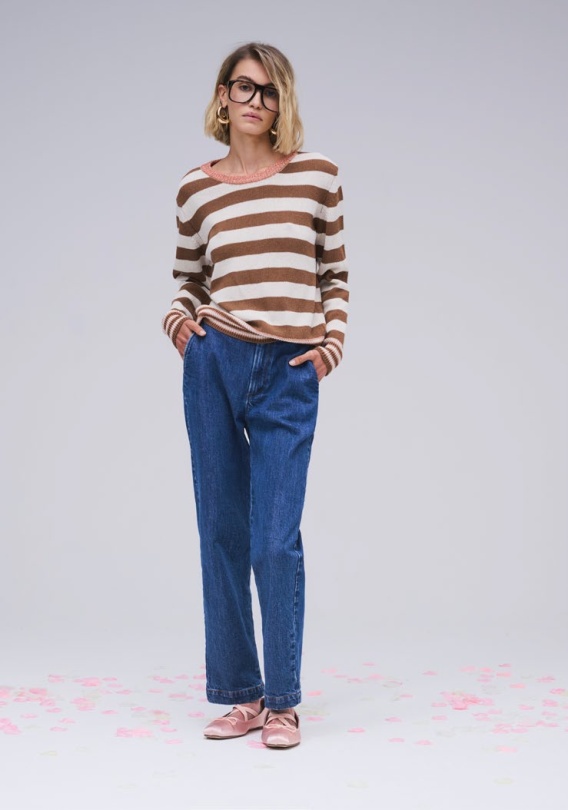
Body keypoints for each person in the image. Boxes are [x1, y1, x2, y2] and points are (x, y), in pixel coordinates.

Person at [162, 42, 349, 749]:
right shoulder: (195, 188)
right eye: (243, 87)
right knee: (220, 529)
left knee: (273, 539)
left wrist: (330, 347)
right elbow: (189, 278)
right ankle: (241, 693)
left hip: (288, 368)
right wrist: (179, 325)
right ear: (222, 95)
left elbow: (334, 275)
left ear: (282, 102)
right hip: (215, 360)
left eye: (269, 92)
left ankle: (284, 703)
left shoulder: (317, 175)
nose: (255, 101)